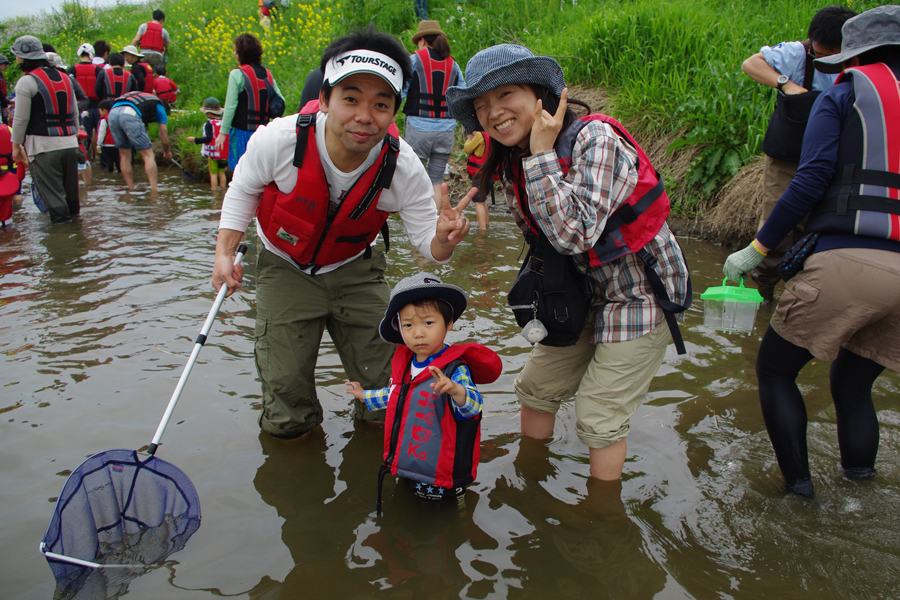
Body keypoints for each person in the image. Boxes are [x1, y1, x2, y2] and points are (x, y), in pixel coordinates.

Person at [211, 26, 474, 441]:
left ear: (393, 112)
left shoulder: (402, 165)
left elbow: (430, 247)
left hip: (357, 269)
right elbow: (242, 188)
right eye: (350, 99)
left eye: (381, 104)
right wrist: (224, 253)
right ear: (325, 99)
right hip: (284, 266)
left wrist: (445, 237)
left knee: (387, 393)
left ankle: (376, 458)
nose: (364, 116)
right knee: (286, 405)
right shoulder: (279, 140)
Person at [446, 45, 691, 481]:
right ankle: (529, 483)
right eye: (481, 106)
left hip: (640, 292)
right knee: (536, 388)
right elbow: (545, 247)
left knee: (597, 414)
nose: (493, 113)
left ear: (540, 94)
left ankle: (600, 520)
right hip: (582, 291)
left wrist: (542, 156)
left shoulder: (595, 140)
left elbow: (573, 234)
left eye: (504, 96)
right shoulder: (512, 165)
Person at [723, 5, 900, 498]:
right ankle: (861, 490)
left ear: (852, 56)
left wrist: (756, 250)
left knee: (775, 369)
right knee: (853, 382)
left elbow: (810, 180)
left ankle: (799, 495)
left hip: (849, 262)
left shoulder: (842, 92)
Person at [346, 272, 502, 504]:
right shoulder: (407, 363)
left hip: (442, 469)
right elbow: (395, 396)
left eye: (428, 323)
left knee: (443, 514)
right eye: (408, 325)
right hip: (412, 460)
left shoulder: (454, 369)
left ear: (448, 323)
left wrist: (456, 391)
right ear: (399, 328)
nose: (418, 333)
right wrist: (364, 396)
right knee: (408, 505)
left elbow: (473, 408)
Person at [741, 5, 856, 303]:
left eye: (833, 55)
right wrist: (786, 84)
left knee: (815, 231)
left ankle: (803, 297)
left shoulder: (863, 62)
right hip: (787, 157)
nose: (824, 61)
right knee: (776, 223)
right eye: (820, 54)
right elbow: (751, 64)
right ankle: (765, 293)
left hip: (836, 162)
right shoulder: (797, 53)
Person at [9, 35, 81, 223]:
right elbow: (74, 114)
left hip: (42, 147)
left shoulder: (26, 81)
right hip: (70, 144)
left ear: (21, 58)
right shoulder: (65, 78)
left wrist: (16, 146)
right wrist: (76, 140)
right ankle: (78, 240)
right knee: (72, 200)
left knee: (55, 202)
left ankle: (62, 244)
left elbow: (20, 118)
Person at [403, 20, 464, 209]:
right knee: (436, 179)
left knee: (413, 177)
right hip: (445, 130)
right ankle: (435, 221)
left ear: (421, 40)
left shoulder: (415, 60)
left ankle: (415, 222)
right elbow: (462, 94)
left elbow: (401, 90)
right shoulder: (453, 64)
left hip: (418, 128)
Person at [214, 33, 284, 171]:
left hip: (242, 132)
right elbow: (280, 100)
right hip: (264, 133)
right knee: (261, 173)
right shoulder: (267, 74)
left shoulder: (237, 74)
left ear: (240, 53)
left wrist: (223, 133)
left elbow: (230, 106)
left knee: (241, 172)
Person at [107, 90, 172, 191]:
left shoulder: (145, 98)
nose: (155, 121)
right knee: (148, 154)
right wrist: (167, 152)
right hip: (130, 113)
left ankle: (131, 188)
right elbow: (164, 138)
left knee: (124, 155)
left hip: (112, 112)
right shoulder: (160, 107)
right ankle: (154, 189)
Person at [67, 43, 102, 160]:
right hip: (98, 106)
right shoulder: (98, 70)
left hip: (81, 107)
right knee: (100, 132)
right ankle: (99, 158)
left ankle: (85, 159)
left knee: (84, 134)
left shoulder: (72, 70)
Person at [187, 98, 228, 191]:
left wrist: (195, 139)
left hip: (213, 154)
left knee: (213, 173)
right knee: (222, 172)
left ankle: (214, 192)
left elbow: (208, 138)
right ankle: (223, 191)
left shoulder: (209, 124)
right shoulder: (224, 123)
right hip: (224, 153)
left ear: (208, 113)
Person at [463, 130, 494, 230]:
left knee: (478, 202)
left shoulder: (480, 135)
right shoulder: (491, 134)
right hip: (489, 174)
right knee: (483, 200)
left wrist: (469, 138)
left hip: (479, 175)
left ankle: (482, 229)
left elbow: (467, 149)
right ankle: (486, 223)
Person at [95, 98, 120, 173]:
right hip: (118, 143)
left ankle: (110, 174)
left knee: (109, 162)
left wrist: (98, 144)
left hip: (107, 145)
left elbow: (101, 132)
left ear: (104, 111)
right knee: (119, 162)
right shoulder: (117, 117)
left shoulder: (104, 120)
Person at [0, 54, 10, 125]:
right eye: (5, 64)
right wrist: (8, 111)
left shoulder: (1, 75)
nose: (7, 66)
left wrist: (9, 101)